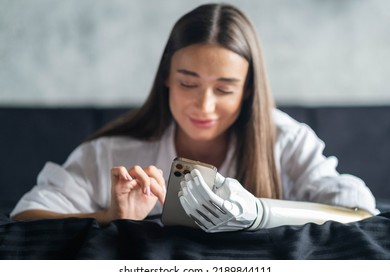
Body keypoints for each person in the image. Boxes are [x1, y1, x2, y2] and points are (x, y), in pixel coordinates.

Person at [11, 3, 378, 231]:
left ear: (248, 89)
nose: (204, 107)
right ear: (167, 78)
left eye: (224, 89)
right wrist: (109, 216)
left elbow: (358, 210)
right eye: (189, 83)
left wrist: (258, 212)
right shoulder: (110, 152)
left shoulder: (286, 139)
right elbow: (25, 216)